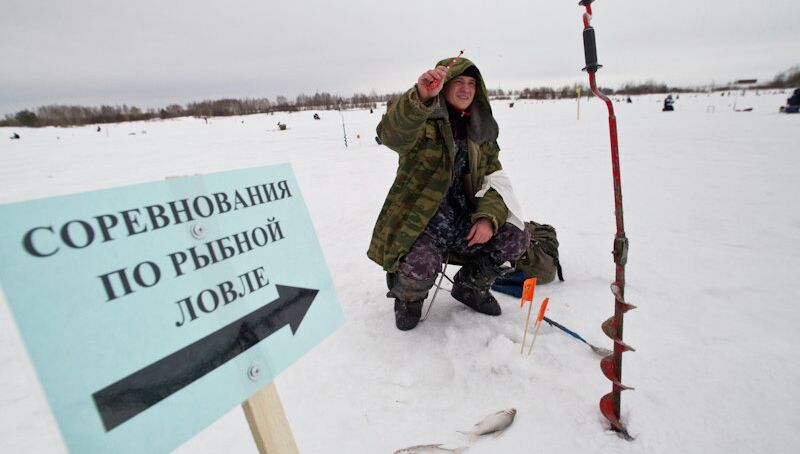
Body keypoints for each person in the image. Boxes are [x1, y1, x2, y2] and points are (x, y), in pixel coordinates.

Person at [368, 57, 530, 331]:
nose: (466, 89)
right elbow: (391, 134)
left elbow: (495, 179)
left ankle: (470, 286)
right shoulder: (422, 120)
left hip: (464, 223)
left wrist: (488, 218)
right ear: (443, 86)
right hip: (421, 224)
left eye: (471, 84)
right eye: (458, 82)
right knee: (421, 262)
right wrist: (420, 97)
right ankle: (408, 298)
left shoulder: (481, 131)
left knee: (517, 236)